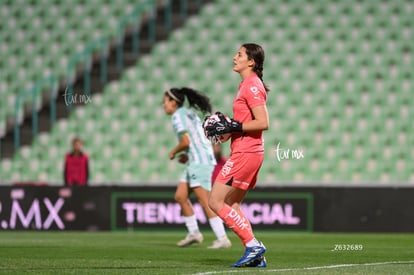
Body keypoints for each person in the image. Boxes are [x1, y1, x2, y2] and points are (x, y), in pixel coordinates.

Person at [205, 43, 269, 267]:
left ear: (251, 61)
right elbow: (244, 124)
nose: (234, 57)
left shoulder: (251, 86)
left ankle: (253, 245)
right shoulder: (247, 84)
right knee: (231, 204)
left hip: (245, 152)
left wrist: (234, 125)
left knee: (215, 201)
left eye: (239, 54)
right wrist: (226, 130)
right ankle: (256, 255)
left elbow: (263, 122)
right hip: (249, 151)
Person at [162, 87, 231, 249]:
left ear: (173, 102)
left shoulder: (178, 116)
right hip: (197, 159)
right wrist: (187, 154)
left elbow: (186, 141)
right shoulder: (188, 113)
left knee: (205, 200)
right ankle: (194, 233)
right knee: (180, 196)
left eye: (165, 102)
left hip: (200, 162)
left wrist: (173, 151)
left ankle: (222, 238)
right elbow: (195, 139)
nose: (163, 105)